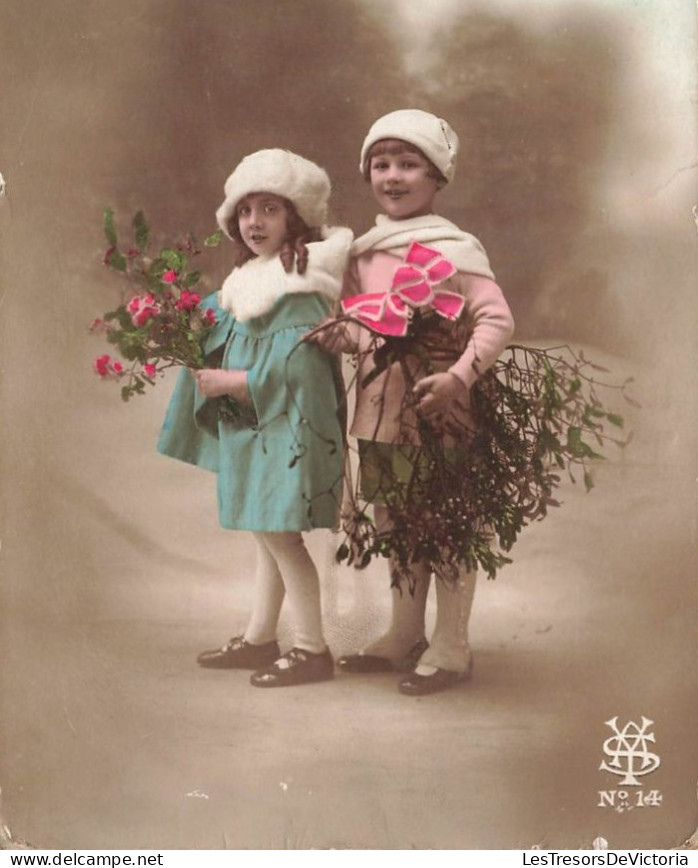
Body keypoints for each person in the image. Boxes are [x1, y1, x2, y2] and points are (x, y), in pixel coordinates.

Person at [314, 109, 515, 696]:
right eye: (381, 164)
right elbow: (364, 329)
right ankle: (405, 631)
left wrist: (459, 377)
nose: (393, 176)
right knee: (395, 521)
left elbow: (495, 319)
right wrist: (339, 334)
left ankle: (451, 643)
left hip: (440, 409)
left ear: (437, 179)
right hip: (381, 410)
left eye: (409, 164)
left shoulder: (455, 247)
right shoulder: (365, 252)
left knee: (447, 525)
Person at [157, 149, 353, 688]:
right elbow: (234, 338)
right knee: (265, 532)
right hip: (257, 431)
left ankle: (313, 649)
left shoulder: (299, 281)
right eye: (246, 211)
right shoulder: (250, 280)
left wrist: (234, 383)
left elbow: (303, 373)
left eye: (270, 209)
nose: (255, 222)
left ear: (296, 218)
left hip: (286, 429)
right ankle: (261, 636)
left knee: (279, 536)